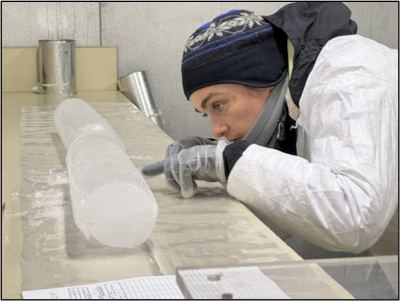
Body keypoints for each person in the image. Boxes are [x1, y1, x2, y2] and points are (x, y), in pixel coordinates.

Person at [143, 2, 398, 256]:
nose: (217, 129)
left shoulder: (350, 72)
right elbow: (293, 203)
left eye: (218, 105)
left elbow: (355, 217)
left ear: (260, 79)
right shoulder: (295, 92)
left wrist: (229, 161)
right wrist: (214, 154)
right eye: (205, 114)